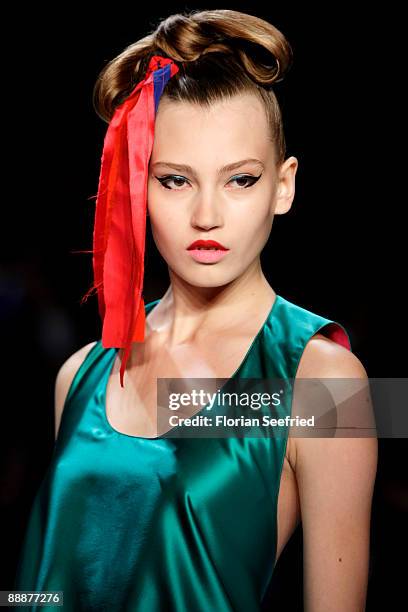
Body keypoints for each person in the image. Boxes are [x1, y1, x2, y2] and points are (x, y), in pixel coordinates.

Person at [14, 8, 377, 611]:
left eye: (240, 179)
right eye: (175, 180)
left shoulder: (327, 382)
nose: (206, 214)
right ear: (139, 187)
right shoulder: (78, 375)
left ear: (283, 187)